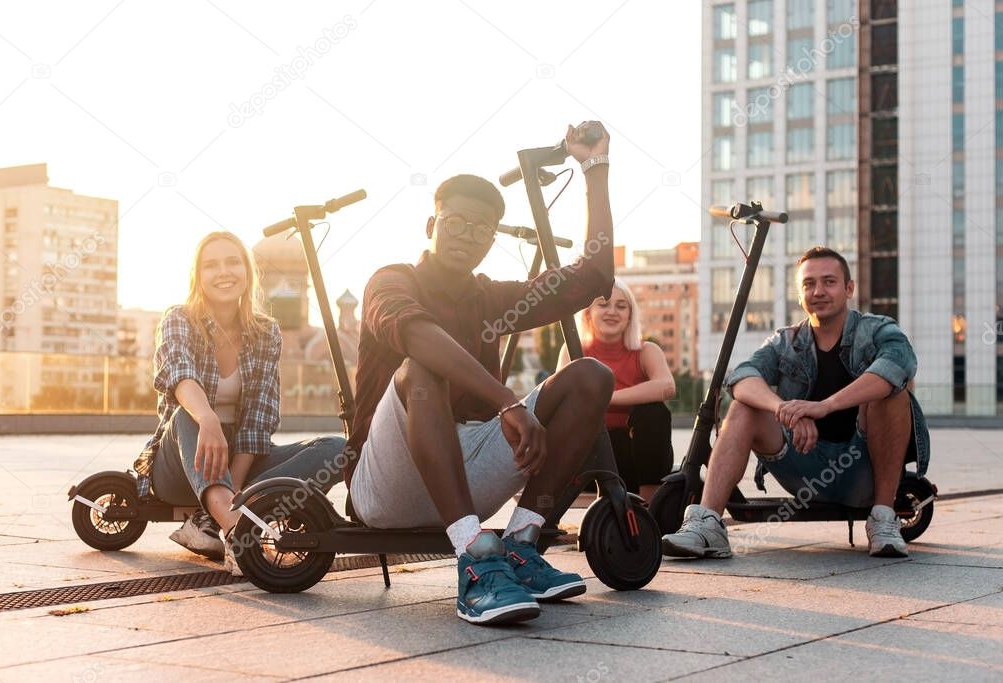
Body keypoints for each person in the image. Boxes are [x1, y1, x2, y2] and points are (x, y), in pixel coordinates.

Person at [345, 122, 615, 625]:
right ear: (432, 224)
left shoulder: (491, 297)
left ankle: (519, 545)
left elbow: (595, 276)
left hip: (466, 472)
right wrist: (506, 401)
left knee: (591, 375)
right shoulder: (389, 280)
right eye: (455, 223)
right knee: (422, 365)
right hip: (387, 482)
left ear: (492, 239)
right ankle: (475, 558)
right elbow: (420, 337)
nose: (465, 236)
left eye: (480, 229)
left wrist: (595, 169)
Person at [661, 246, 929, 559]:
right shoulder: (786, 341)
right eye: (808, 284)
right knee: (746, 405)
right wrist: (783, 410)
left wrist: (824, 406)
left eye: (829, 281)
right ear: (799, 294)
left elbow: (899, 363)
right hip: (803, 466)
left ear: (849, 288)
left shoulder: (877, 329)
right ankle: (707, 524)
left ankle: (883, 519)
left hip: (865, 470)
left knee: (892, 393)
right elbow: (742, 376)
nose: (818, 291)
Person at [133, 231, 344, 575]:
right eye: (211, 265)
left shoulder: (266, 332)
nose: (223, 272)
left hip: (238, 461)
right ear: (198, 277)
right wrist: (208, 419)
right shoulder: (179, 319)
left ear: (247, 273)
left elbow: (259, 417)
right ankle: (238, 531)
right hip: (183, 457)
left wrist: (235, 482)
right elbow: (179, 375)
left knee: (337, 448)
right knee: (188, 418)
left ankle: (223, 514)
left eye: (233, 262)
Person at [558, 278, 676, 500]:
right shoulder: (574, 350)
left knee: (653, 412)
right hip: (590, 460)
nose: (612, 311)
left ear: (630, 316)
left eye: (621, 306)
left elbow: (667, 386)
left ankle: (649, 506)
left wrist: (607, 398)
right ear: (588, 314)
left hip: (636, 461)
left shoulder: (646, 350)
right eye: (603, 304)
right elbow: (562, 402)